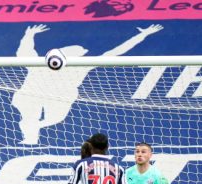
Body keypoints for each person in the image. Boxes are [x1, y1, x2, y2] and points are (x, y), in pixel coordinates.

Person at [13, 24, 162, 144]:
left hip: (61, 96)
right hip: (33, 93)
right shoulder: (42, 64)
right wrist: (28, 35)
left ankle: (34, 128)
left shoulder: (81, 66)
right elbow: (24, 52)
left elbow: (115, 52)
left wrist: (29, 35)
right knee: (30, 115)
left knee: (54, 119)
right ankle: (30, 139)